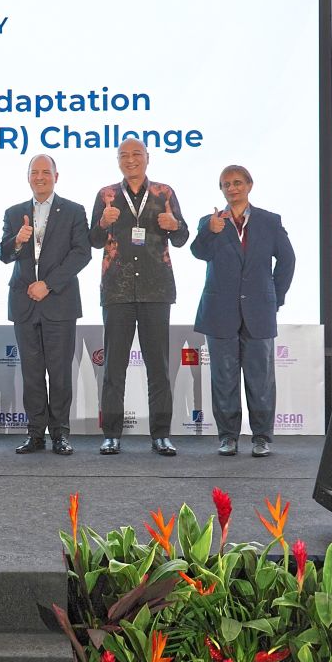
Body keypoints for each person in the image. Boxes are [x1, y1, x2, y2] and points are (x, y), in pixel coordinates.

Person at [90, 138, 188, 457]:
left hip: (155, 290)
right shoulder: (106, 195)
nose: (130, 160)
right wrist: (103, 222)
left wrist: (174, 226)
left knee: (158, 366)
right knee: (114, 368)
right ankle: (112, 434)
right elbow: (92, 240)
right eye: (124, 155)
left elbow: (183, 236)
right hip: (117, 291)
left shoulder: (164, 193)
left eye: (137, 154)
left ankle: (160, 434)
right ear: (117, 160)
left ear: (148, 157)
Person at [190, 165, 295, 458]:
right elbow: (199, 252)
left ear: (249, 185)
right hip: (219, 311)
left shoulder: (269, 221)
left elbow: (287, 260)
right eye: (226, 184)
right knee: (223, 379)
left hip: (259, 310)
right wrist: (209, 232)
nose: (232, 188)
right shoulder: (211, 221)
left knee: (260, 378)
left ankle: (261, 437)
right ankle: (228, 437)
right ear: (221, 190)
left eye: (237, 183)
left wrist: (275, 297)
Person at [0, 155, 91, 456]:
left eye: (45, 172)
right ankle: (35, 434)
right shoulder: (14, 213)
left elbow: (82, 253)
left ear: (56, 176)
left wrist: (48, 284)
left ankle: (60, 434)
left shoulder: (74, 211)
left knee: (60, 372)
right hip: (24, 303)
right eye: (34, 173)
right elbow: (4, 255)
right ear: (28, 178)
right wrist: (17, 241)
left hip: (59, 302)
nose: (40, 177)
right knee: (32, 373)